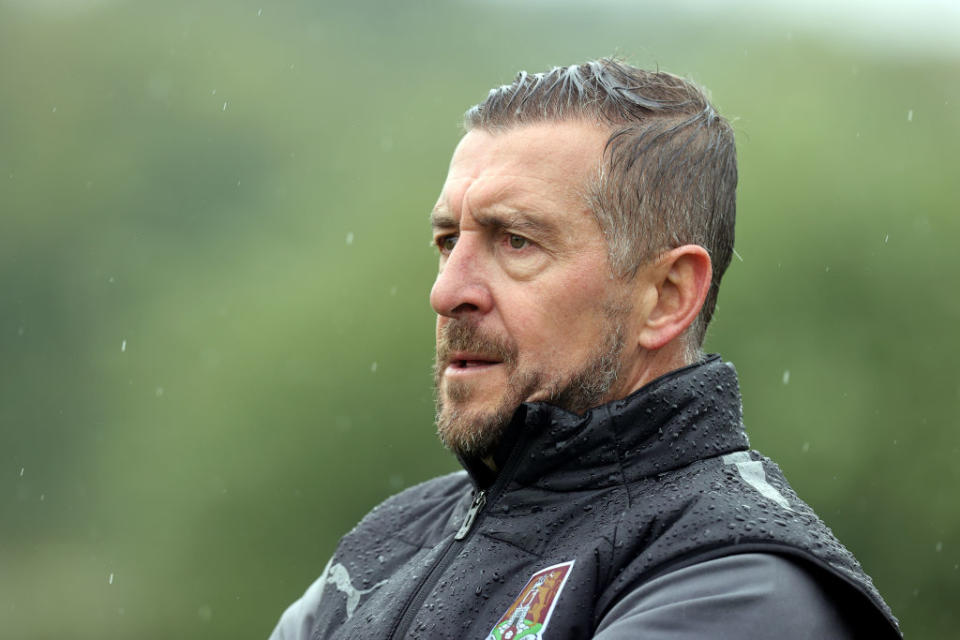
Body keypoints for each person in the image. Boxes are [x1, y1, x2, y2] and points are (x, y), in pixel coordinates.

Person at [270, 59, 901, 639]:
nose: (447, 291)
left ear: (666, 295)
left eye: (515, 240)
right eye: (446, 241)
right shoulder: (384, 546)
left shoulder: (738, 580)